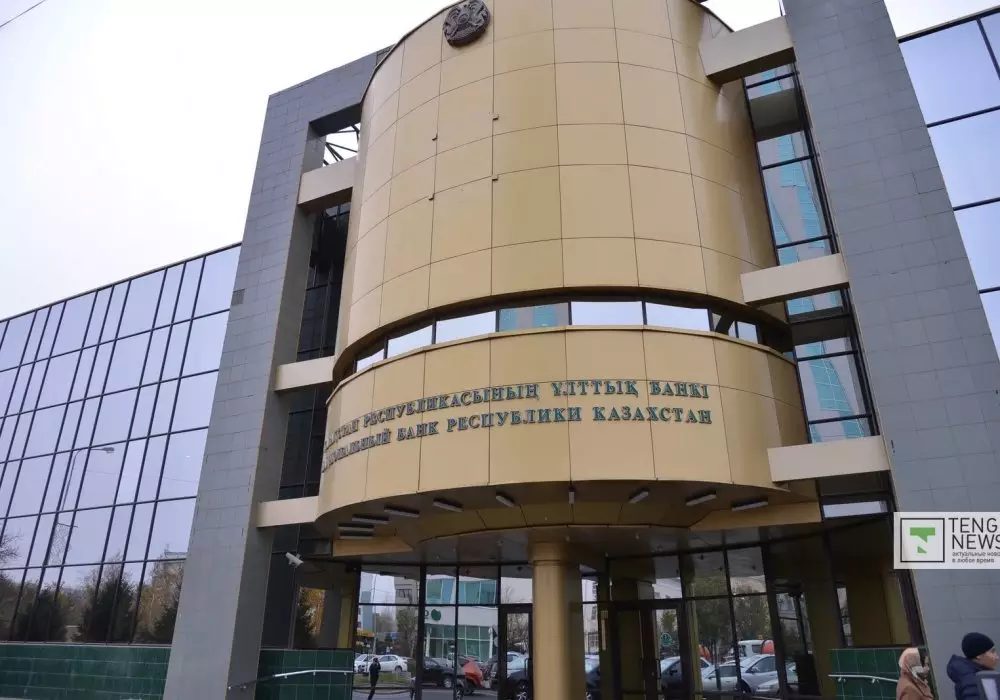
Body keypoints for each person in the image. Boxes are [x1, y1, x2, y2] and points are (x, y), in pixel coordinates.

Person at [947, 632, 998, 700]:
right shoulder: (973, 681)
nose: (997, 657)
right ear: (979, 655)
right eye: (992, 652)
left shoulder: (975, 675)